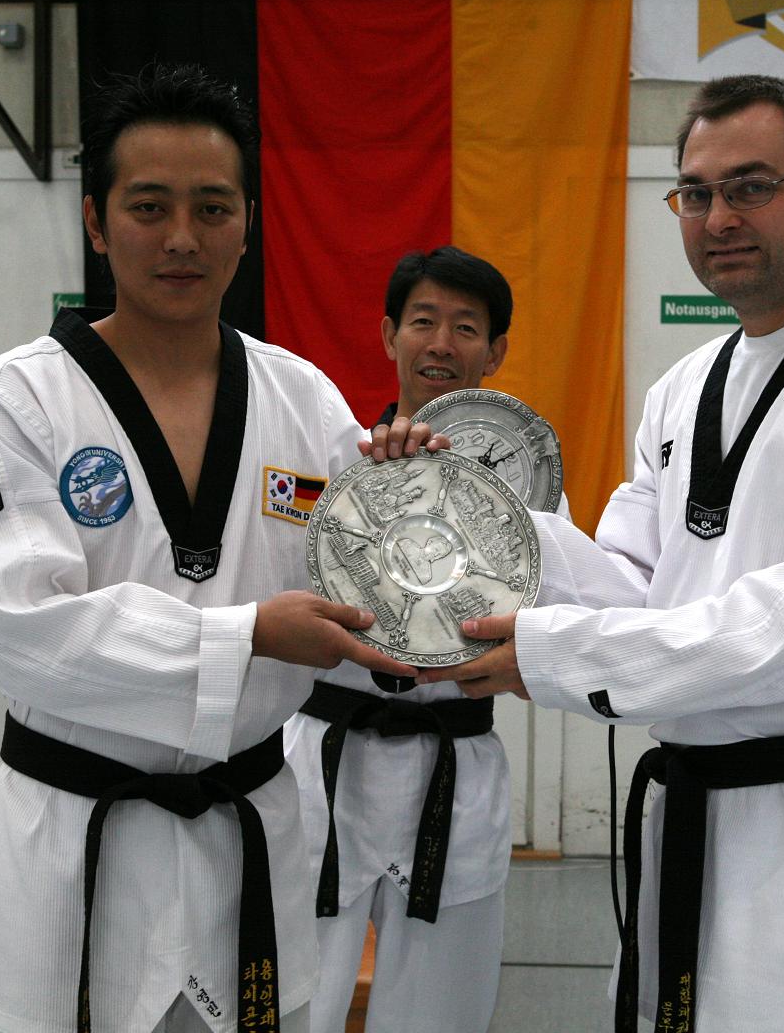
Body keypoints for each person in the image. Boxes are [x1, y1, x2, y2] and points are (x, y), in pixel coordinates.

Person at [418, 75, 784, 1032]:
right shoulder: (689, 382)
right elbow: (634, 587)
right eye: (696, 193)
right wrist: (474, 504)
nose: (719, 217)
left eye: (751, 186)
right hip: (698, 822)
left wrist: (558, 655)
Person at [0, 63, 439, 1033]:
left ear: (247, 224)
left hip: (245, 843)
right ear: (96, 222)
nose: (182, 237)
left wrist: (422, 506)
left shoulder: (306, 402)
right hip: (74, 851)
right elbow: (24, 632)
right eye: (149, 207)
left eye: (212, 208)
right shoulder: (15, 403)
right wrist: (247, 635)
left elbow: (374, 592)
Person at [283, 246, 518, 1033]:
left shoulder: (525, 501)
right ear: (389, 335)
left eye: (465, 327)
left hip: (454, 765)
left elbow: (542, 629)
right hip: (329, 760)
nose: (441, 343)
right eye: (423, 321)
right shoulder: (332, 467)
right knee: (296, 1001)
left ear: (495, 351)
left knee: (440, 1014)